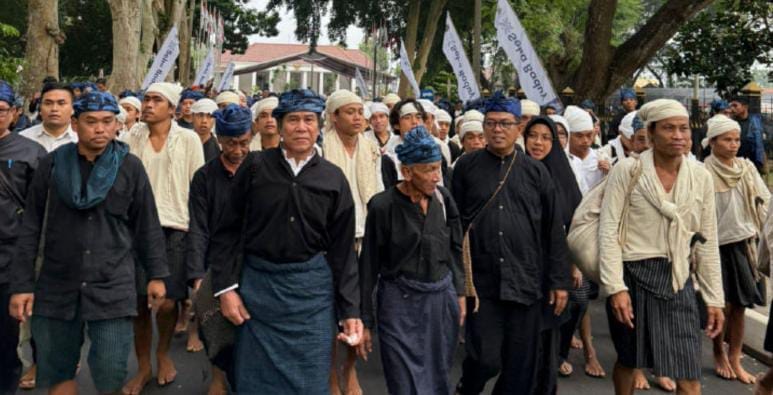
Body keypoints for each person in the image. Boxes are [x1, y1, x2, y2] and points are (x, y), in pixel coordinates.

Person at [8, 91, 168, 395]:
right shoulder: (53, 165)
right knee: (56, 370)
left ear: (117, 125)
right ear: (75, 123)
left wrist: (157, 276)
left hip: (112, 286)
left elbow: (147, 225)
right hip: (57, 285)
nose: (100, 129)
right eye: (91, 121)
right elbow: (30, 227)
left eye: (108, 122)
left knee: (110, 369)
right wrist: (22, 285)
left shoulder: (130, 167)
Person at [210, 89, 363, 393]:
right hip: (259, 290)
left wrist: (350, 311)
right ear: (279, 126)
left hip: (312, 293)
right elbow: (226, 231)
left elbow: (343, 252)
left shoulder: (333, 179)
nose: (301, 127)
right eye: (293, 120)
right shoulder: (254, 167)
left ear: (319, 126)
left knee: (310, 379)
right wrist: (226, 288)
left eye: (309, 120)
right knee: (254, 382)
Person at [600, 98, 725, 395]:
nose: (678, 135)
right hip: (632, 277)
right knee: (629, 361)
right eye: (669, 128)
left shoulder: (700, 177)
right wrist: (615, 287)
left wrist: (714, 297)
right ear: (651, 133)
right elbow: (608, 231)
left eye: (683, 128)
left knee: (689, 374)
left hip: (677, 278)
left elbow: (707, 240)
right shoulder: (628, 171)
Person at [453, 92, 570, 394]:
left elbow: (552, 231)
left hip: (525, 281)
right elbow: (454, 225)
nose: (497, 130)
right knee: (485, 358)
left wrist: (558, 281)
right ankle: (468, 387)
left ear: (519, 127)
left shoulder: (536, 172)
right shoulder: (467, 166)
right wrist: (456, 281)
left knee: (519, 367)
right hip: (481, 283)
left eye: (505, 123)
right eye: (491, 123)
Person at [358, 125, 465, 394]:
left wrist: (460, 294)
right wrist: (365, 320)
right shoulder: (382, 206)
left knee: (438, 372)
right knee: (403, 378)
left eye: (437, 168)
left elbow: (454, 250)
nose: (435, 176)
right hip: (399, 304)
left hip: (440, 300)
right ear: (407, 172)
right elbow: (368, 264)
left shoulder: (443, 198)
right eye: (428, 170)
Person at [119, 82, 205, 394]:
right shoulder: (131, 137)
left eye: (157, 100)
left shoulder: (189, 139)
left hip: (176, 227)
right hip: (136, 228)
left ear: (172, 108)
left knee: (168, 303)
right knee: (139, 303)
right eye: (146, 99)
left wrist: (198, 231)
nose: (149, 104)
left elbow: (198, 188)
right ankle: (143, 367)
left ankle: (163, 352)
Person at [187, 103, 254, 395]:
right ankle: (216, 377)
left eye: (243, 143)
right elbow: (198, 227)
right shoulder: (205, 176)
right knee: (215, 326)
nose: (237, 150)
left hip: (254, 261)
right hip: (216, 260)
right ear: (219, 139)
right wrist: (197, 274)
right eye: (230, 144)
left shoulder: (262, 168)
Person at [321, 89, 383, 394]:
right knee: (333, 311)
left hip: (365, 237)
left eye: (361, 111)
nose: (358, 117)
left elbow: (380, 197)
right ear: (334, 117)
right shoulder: (321, 149)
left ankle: (350, 372)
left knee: (356, 309)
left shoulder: (371, 148)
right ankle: (333, 376)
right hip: (330, 241)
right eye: (350, 111)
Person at [702, 114, 770, 384]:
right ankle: (718, 352)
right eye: (727, 140)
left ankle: (735, 357)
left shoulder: (746, 168)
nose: (733, 145)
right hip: (715, 246)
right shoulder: (703, 172)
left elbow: (764, 202)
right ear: (713, 142)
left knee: (741, 304)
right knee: (721, 304)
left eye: (736, 139)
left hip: (745, 244)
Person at [522, 116, 583, 394]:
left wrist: (572, 265)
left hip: (553, 266)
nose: (538, 142)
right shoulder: (516, 171)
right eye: (532, 135)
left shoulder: (562, 174)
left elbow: (572, 224)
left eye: (546, 137)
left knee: (547, 337)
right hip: (522, 267)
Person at [0, 81, 46, 395]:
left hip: (9, 258)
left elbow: (41, 212)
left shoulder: (31, 153)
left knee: (4, 339)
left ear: (15, 113)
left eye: (0, 110)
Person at [19, 83, 78, 153]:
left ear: (72, 108)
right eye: (48, 103)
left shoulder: (81, 139)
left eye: (61, 103)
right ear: (40, 108)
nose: (54, 109)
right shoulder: (23, 139)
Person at [565, 105, 610, 194]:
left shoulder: (601, 158)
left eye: (589, 135)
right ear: (568, 136)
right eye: (579, 136)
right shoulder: (563, 160)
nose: (585, 141)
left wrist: (610, 173)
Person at [730, 97, 765, 172]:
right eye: (731, 106)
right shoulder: (731, 123)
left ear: (745, 107)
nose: (732, 109)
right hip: (735, 163)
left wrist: (760, 162)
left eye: (735, 106)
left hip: (752, 163)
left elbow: (759, 143)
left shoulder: (755, 122)